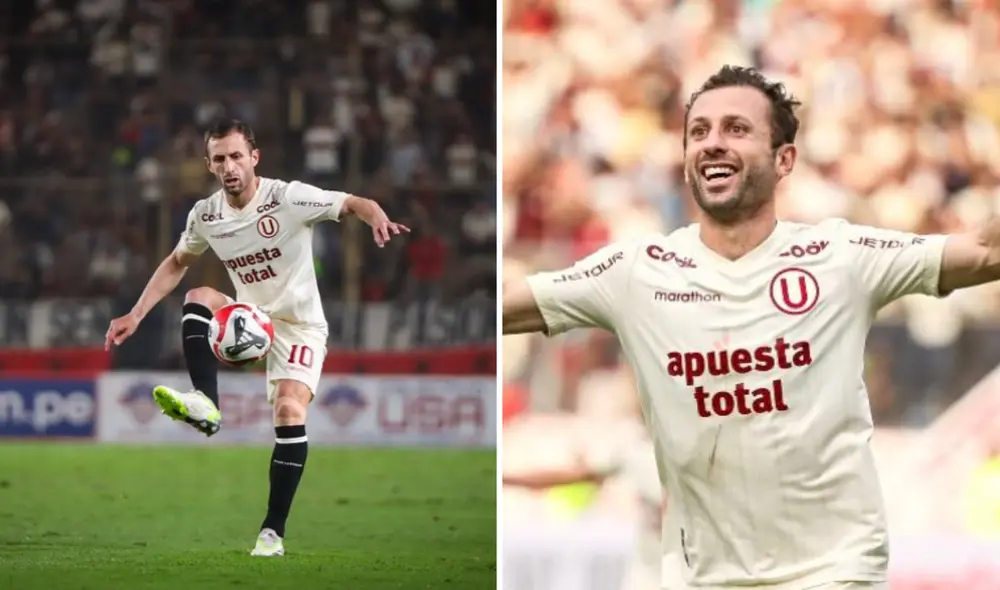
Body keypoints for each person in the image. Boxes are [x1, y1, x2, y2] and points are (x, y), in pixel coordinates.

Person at [502, 65, 1000, 590]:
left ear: (784, 159)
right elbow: (502, 306)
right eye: (699, 131)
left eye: (737, 128)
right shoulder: (636, 271)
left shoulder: (841, 256)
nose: (713, 142)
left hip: (832, 573)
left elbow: (985, 252)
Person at [104, 118, 409, 557]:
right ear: (209, 165)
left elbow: (351, 203)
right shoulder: (206, 214)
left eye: (236, 156)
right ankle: (205, 402)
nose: (229, 167)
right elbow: (176, 262)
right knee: (198, 296)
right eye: (220, 159)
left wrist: (375, 215)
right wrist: (136, 313)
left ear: (254, 158)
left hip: (299, 325)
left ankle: (272, 533)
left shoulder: (288, 198)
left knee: (288, 410)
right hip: (251, 318)